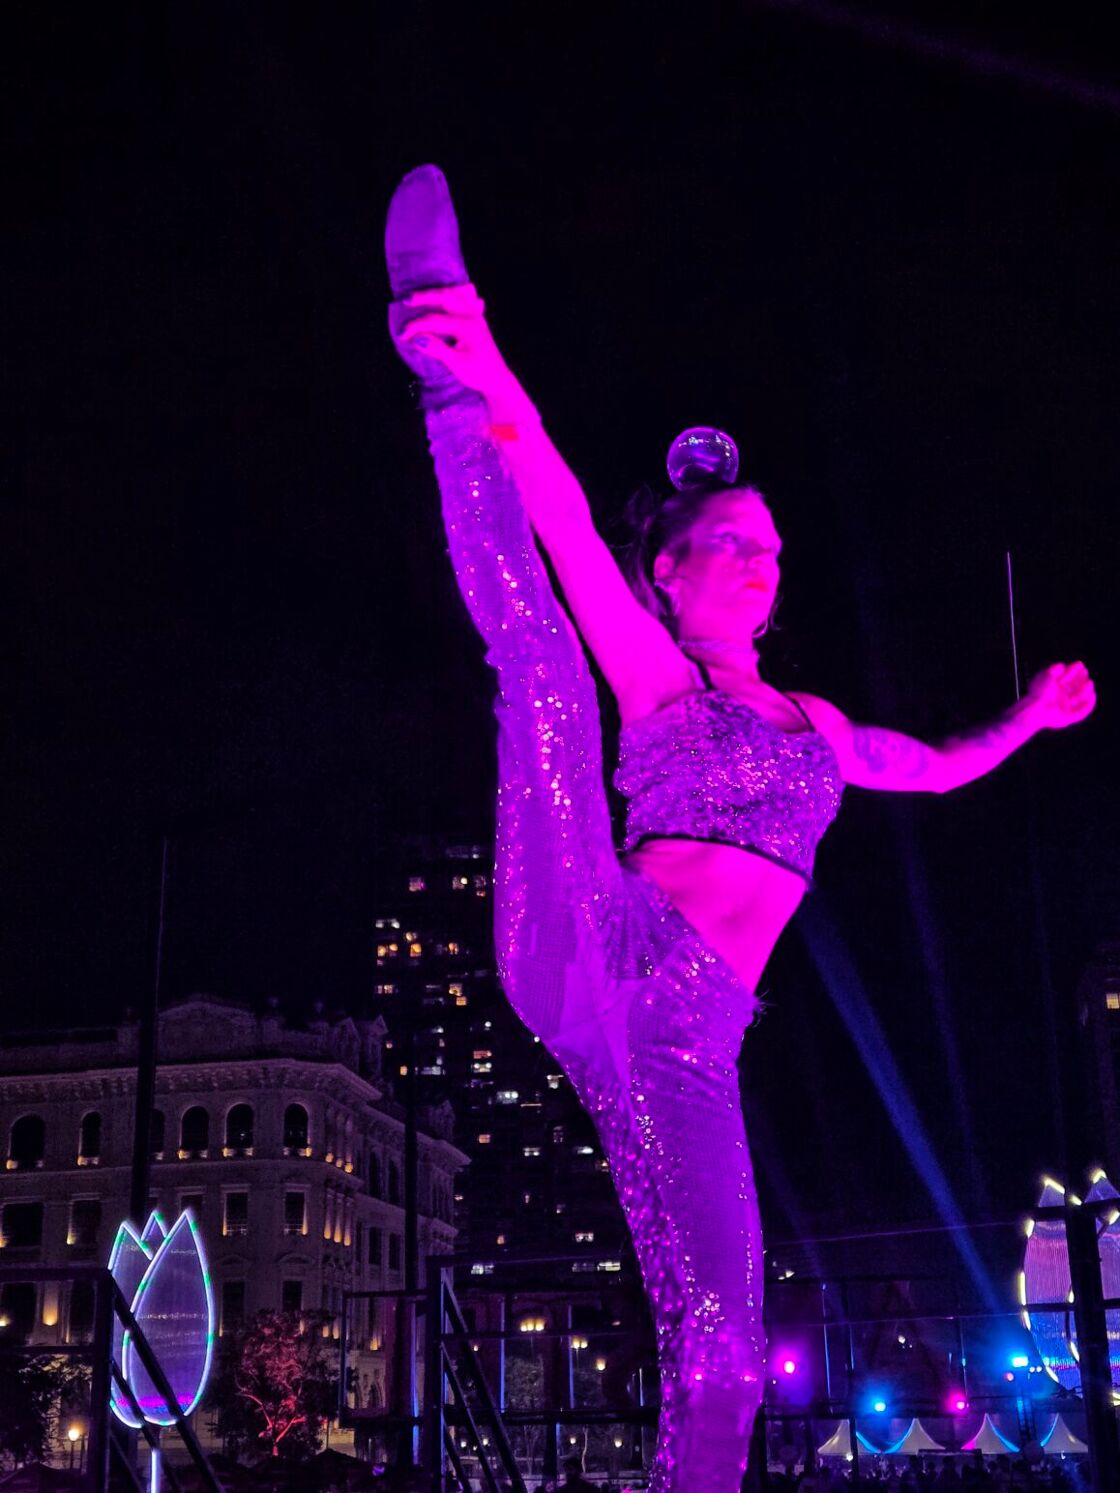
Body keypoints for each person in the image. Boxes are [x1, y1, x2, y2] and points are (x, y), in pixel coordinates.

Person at [384, 166, 1096, 1493]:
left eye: (772, 545)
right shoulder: (660, 679)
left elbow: (934, 770)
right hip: (597, 930)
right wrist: (480, 361)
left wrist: (1029, 719)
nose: (761, 558)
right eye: (730, 539)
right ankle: (435, 354)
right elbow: (564, 516)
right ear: (674, 567)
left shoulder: (816, 727)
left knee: (718, 1353)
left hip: (688, 1035)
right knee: (541, 664)